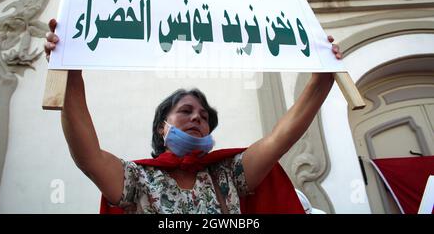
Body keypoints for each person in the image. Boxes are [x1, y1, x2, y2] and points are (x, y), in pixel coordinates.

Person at [44, 18, 343, 214]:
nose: (198, 118)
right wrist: (69, 69)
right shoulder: (138, 178)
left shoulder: (230, 174)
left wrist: (322, 80)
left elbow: (280, 138)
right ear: (163, 128)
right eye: (185, 111)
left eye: (204, 116)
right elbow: (88, 156)